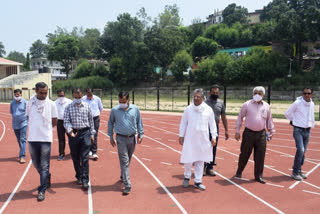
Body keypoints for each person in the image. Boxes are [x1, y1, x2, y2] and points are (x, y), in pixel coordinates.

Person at [235, 86, 275, 184]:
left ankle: (258, 176)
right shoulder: (247, 104)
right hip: (249, 133)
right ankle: (239, 170)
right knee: (244, 153)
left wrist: (271, 131)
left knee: (260, 156)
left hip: (261, 134)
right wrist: (237, 131)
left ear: (263, 95)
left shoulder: (266, 106)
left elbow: (269, 119)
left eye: (259, 93)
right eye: (255, 93)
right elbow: (240, 117)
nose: (257, 95)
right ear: (253, 94)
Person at [179, 89, 217, 190]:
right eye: (194, 96)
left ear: (203, 98)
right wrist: (181, 135)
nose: (195, 98)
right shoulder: (188, 109)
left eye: (198, 97)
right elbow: (183, 123)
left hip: (203, 139)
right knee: (188, 159)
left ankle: (198, 181)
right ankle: (187, 177)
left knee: (200, 160)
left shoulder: (208, 110)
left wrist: (214, 136)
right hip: (190, 139)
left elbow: (212, 124)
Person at [107, 91, 144, 195]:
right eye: (120, 101)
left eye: (123, 101)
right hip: (120, 139)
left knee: (128, 160)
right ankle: (127, 185)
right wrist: (110, 136)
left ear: (128, 100)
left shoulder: (135, 109)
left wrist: (141, 134)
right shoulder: (115, 110)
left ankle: (123, 175)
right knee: (125, 161)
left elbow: (139, 121)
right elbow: (110, 123)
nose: (121, 103)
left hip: (132, 138)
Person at [26, 82, 58, 201]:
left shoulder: (51, 104)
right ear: (36, 91)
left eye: (45, 93)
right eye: (41, 93)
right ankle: (47, 177)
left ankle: (42, 190)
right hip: (33, 138)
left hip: (45, 138)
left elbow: (55, 121)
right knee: (35, 163)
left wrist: (47, 129)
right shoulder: (30, 102)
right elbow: (28, 116)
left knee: (44, 166)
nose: (44, 95)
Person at [64, 88, 95, 190]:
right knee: (75, 157)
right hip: (74, 134)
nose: (78, 98)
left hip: (85, 132)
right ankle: (79, 175)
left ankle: (85, 180)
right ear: (73, 96)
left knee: (85, 157)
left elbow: (91, 121)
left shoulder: (87, 106)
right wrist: (70, 131)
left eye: (79, 97)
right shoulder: (68, 107)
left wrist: (92, 134)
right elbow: (66, 121)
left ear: (82, 96)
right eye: (76, 97)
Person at [285, 87, 315, 181]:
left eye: (308, 93)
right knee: (301, 150)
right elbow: (287, 113)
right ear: (302, 94)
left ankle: (299, 170)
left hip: (308, 130)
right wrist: (293, 120)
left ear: (311, 94)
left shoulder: (312, 104)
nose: (306, 95)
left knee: (303, 151)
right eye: (305, 93)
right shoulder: (297, 103)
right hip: (298, 130)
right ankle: (295, 171)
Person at [204, 85, 229, 176]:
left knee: (213, 148)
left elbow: (223, 117)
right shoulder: (205, 103)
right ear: (209, 93)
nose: (215, 94)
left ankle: (210, 168)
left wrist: (226, 130)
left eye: (217, 93)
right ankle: (202, 167)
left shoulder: (221, 103)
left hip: (215, 129)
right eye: (213, 93)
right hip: (205, 128)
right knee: (204, 147)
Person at [82, 88, 103, 161]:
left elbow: (101, 108)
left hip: (95, 119)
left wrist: (95, 114)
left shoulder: (97, 99)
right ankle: (89, 150)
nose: (89, 96)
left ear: (92, 93)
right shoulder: (83, 99)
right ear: (86, 93)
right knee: (87, 134)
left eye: (90, 94)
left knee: (94, 135)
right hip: (86, 119)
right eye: (88, 94)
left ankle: (94, 152)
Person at [10, 89, 28, 164]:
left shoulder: (25, 103)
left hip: (23, 123)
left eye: (18, 95)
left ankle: (22, 156)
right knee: (18, 139)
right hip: (15, 124)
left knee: (23, 139)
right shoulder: (12, 103)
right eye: (15, 95)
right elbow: (12, 112)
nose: (17, 96)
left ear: (21, 94)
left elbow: (28, 112)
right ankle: (22, 150)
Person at [55, 89, 72, 161]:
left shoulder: (69, 102)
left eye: (62, 95)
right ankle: (61, 153)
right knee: (61, 139)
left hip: (68, 122)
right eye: (59, 95)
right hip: (60, 122)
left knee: (71, 138)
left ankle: (73, 152)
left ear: (64, 95)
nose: (61, 97)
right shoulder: (55, 103)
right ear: (57, 95)